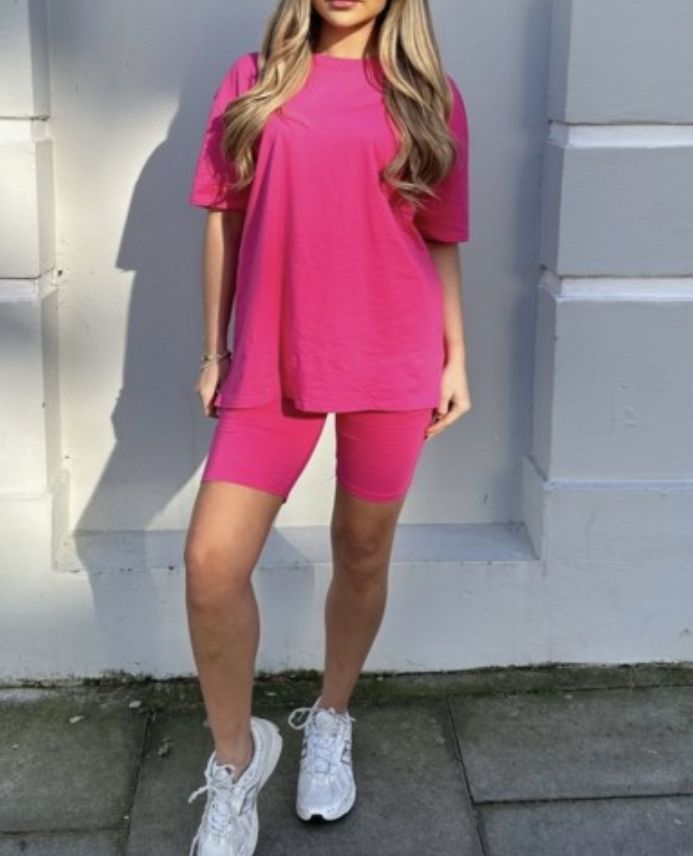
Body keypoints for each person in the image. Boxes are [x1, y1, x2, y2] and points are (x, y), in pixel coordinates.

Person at [183, 1, 471, 853]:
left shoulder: (429, 95)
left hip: (393, 351)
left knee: (363, 549)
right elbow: (224, 216)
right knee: (211, 566)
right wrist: (214, 350)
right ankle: (235, 763)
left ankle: (332, 717)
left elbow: (439, 234)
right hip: (274, 351)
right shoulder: (255, 81)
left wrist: (458, 356)